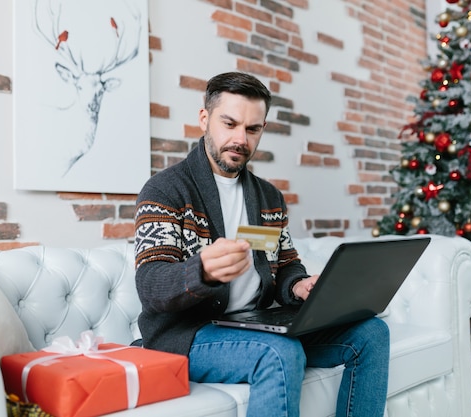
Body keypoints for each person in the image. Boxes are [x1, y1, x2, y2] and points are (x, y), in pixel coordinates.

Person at [134, 71, 389, 417]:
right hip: (189, 335)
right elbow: (151, 284)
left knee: (372, 333)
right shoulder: (166, 190)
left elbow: (285, 263)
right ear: (205, 119)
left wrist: (299, 285)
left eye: (252, 129)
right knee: (279, 352)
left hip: (255, 323)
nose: (240, 138)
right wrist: (202, 271)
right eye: (230, 123)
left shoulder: (269, 198)